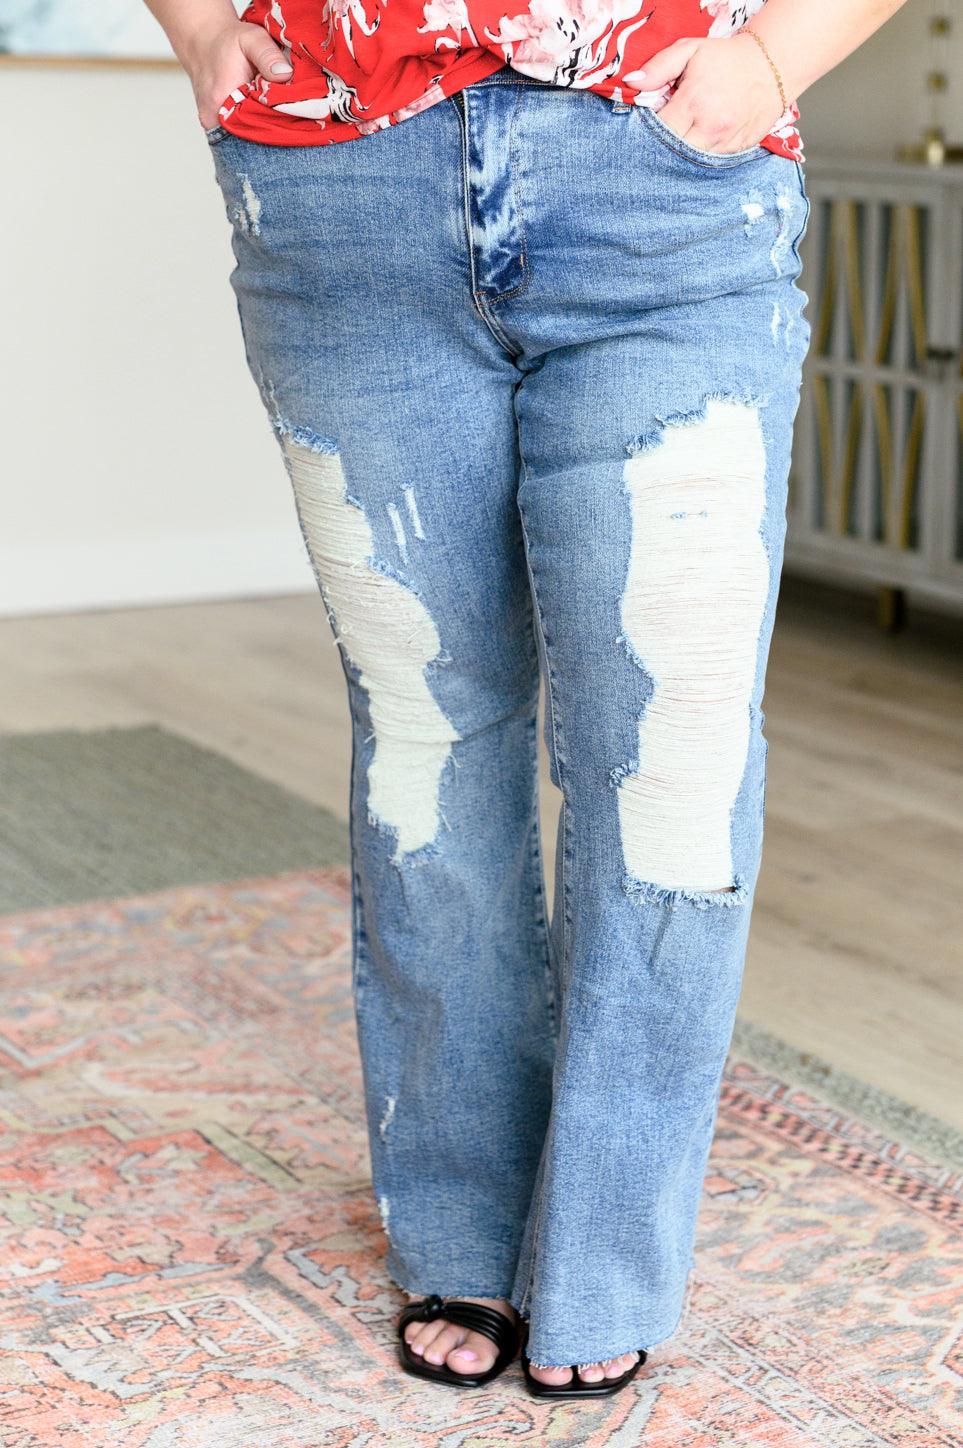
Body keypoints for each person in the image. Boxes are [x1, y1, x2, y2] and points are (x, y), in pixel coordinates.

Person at [147, 0, 910, 1400]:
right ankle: (462, 1227)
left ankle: (606, 1259)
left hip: (663, 180)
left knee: (670, 755)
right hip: (343, 180)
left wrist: (771, 63)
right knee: (430, 733)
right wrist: (199, 27)